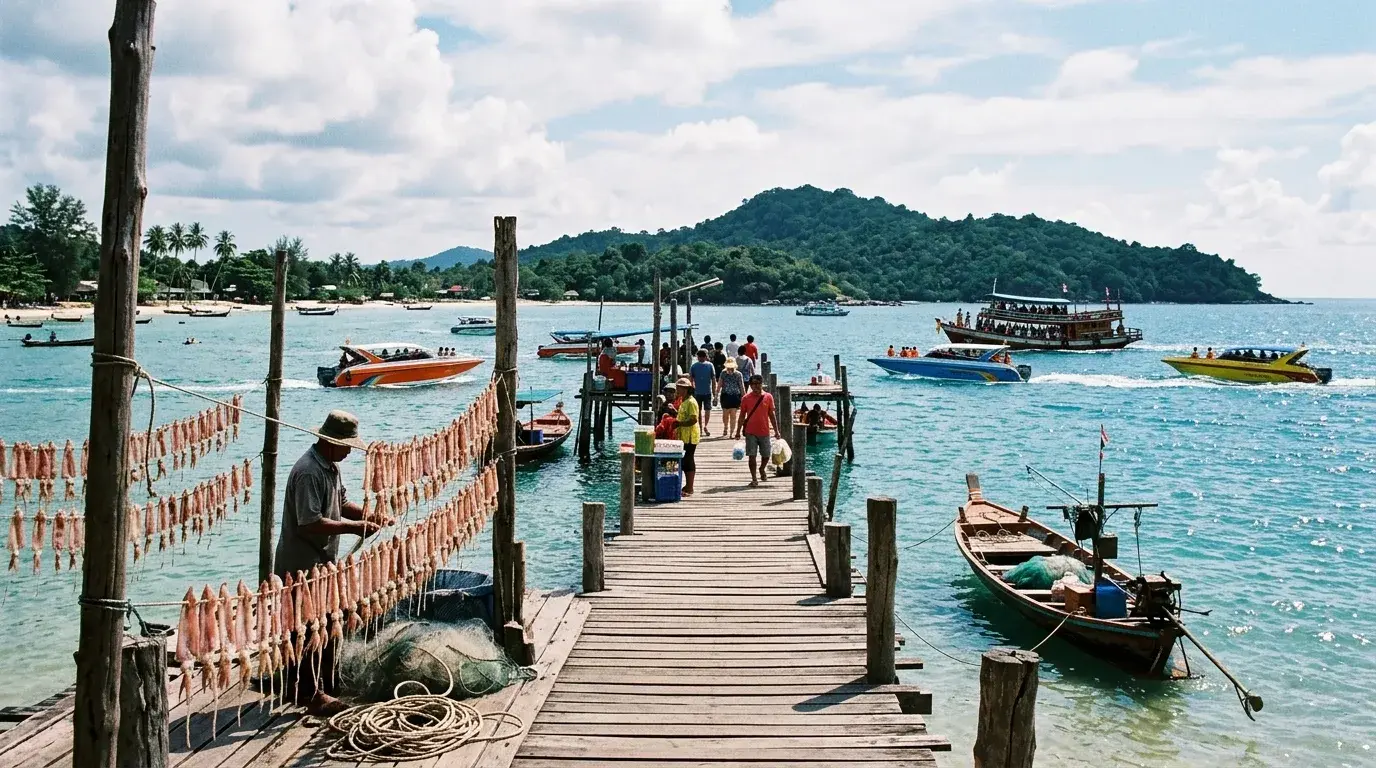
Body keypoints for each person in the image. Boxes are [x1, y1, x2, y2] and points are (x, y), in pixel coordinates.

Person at [275, 410, 391, 715]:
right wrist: (354, 528)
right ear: (331, 442)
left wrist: (368, 516)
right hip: (300, 565)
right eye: (348, 444)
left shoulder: (330, 468)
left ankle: (321, 684)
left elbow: (340, 504)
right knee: (307, 627)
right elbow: (308, 522)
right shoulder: (309, 471)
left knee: (326, 622)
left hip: (323, 563)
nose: (351, 450)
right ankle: (309, 693)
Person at [735, 374, 780, 487]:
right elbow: (741, 416)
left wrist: (776, 430)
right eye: (753, 384)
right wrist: (737, 431)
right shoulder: (746, 398)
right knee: (752, 455)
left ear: (761, 384)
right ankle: (754, 478)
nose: (755, 386)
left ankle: (762, 468)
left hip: (764, 431)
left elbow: (771, 415)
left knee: (766, 454)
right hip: (750, 431)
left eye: (757, 384)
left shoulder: (768, 397)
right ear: (750, 385)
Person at [673, 377, 700, 495]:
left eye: (679, 388)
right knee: (684, 460)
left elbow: (693, 419)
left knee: (688, 460)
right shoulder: (683, 401)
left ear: (686, 389)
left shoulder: (691, 402)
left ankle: (690, 487)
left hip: (690, 436)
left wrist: (679, 423)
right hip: (683, 435)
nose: (677, 390)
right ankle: (687, 485)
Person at [689, 350, 715, 438]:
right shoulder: (710, 365)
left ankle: (700, 427)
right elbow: (714, 379)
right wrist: (714, 391)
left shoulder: (694, 366)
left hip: (697, 392)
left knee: (698, 411)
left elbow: (690, 379)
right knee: (707, 410)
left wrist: (692, 389)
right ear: (706, 356)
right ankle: (705, 426)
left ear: (698, 357)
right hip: (707, 391)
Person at [718, 357, 745, 438]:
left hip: (735, 396)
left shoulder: (738, 374)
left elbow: (741, 386)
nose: (730, 369)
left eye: (732, 367)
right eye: (729, 367)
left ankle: (731, 432)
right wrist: (716, 395)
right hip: (725, 395)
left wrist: (744, 397)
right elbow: (720, 384)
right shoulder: (723, 373)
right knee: (725, 415)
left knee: (733, 415)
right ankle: (726, 427)